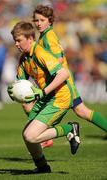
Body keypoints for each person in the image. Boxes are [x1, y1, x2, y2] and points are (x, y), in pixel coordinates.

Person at [8, 21, 81, 173]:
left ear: (30, 38)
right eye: (14, 40)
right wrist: (13, 91)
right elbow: (21, 83)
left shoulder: (41, 53)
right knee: (27, 136)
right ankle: (43, 167)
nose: (16, 44)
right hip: (47, 98)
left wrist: (43, 92)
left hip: (60, 97)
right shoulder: (24, 59)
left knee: (31, 136)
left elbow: (63, 74)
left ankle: (70, 128)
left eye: (19, 40)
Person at [32, 4, 107, 147]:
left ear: (50, 20)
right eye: (36, 20)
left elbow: (59, 59)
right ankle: (45, 138)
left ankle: (47, 137)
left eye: (42, 20)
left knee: (80, 111)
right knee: (81, 111)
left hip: (62, 83)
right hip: (60, 81)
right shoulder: (43, 36)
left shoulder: (49, 36)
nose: (38, 23)